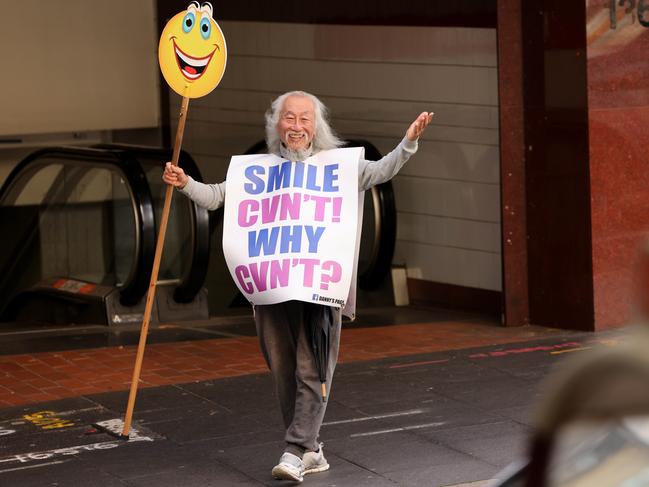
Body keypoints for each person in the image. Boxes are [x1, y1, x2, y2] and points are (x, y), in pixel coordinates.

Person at [163, 90, 433, 482]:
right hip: (272, 287)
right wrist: (186, 182)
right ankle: (311, 449)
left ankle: (294, 450)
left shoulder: (337, 167)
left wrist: (408, 143)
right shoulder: (257, 170)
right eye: (289, 118)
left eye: (305, 119)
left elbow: (380, 171)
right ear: (276, 124)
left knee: (313, 366)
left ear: (317, 126)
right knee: (284, 369)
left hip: (321, 285)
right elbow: (218, 197)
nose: (297, 126)